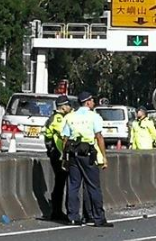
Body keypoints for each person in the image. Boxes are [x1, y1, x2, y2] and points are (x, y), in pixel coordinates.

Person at [62, 92, 113, 228]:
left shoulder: (70, 117)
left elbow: (65, 138)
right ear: (87, 102)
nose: (93, 103)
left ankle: (73, 217)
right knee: (93, 186)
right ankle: (98, 218)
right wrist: (104, 157)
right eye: (92, 100)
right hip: (88, 153)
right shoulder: (94, 116)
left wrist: (64, 157)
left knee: (73, 185)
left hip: (73, 153)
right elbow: (99, 136)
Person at [43, 95, 73, 221]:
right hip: (58, 154)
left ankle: (58, 210)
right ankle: (57, 211)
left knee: (60, 182)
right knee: (60, 183)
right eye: (68, 105)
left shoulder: (57, 117)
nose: (70, 108)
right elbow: (64, 133)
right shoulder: (58, 118)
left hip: (57, 153)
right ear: (63, 107)